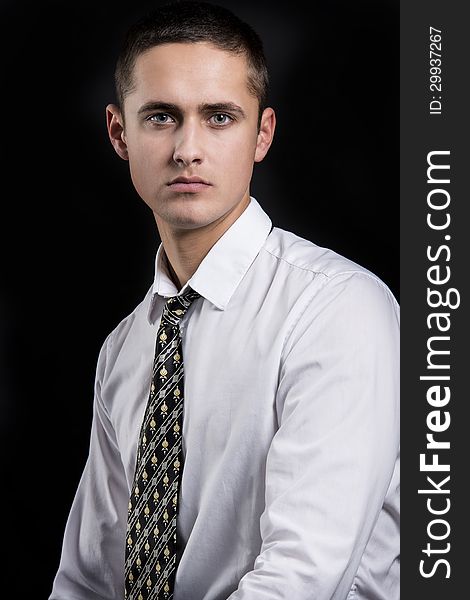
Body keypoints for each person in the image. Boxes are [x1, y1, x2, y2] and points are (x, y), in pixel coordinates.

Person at [49, 2, 400, 599]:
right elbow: (87, 580)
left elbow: (302, 578)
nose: (188, 148)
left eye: (219, 117)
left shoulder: (339, 310)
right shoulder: (126, 349)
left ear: (262, 134)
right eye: (161, 117)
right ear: (118, 133)